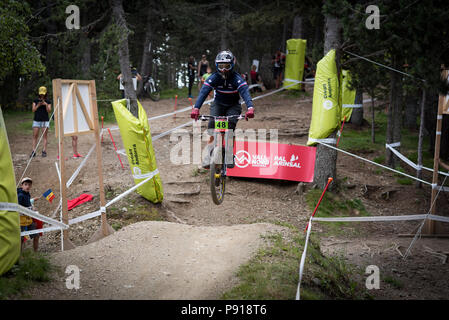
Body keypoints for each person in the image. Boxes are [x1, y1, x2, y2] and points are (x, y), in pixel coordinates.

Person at [190, 50, 255, 169]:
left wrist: (250, 108)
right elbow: (204, 92)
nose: (224, 69)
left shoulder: (237, 78)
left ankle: (229, 155)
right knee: (211, 125)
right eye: (221, 66)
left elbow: (245, 93)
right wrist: (196, 108)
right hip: (218, 104)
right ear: (216, 66)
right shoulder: (214, 77)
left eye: (227, 66)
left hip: (233, 105)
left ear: (232, 66)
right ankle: (208, 155)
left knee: (230, 128)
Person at [17, 177, 41, 252]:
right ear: (22, 185)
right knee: (20, 239)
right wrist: (31, 209)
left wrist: (32, 206)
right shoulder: (20, 195)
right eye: (25, 184)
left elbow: (28, 203)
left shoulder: (27, 194)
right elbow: (18, 208)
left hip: (28, 219)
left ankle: (36, 253)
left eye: (29, 185)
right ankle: (19, 256)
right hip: (21, 221)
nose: (27, 186)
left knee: (36, 235)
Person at [31, 86, 52, 158]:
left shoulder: (48, 101)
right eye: (41, 94)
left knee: (44, 136)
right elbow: (33, 110)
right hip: (36, 120)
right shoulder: (35, 101)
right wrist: (38, 105)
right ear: (39, 93)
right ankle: (33, 151)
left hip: (45, 120)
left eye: (43, 94)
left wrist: (45, 104)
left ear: (46, 93)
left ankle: (44, 151)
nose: (42, 95)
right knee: (35, 136)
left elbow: (49, 111)